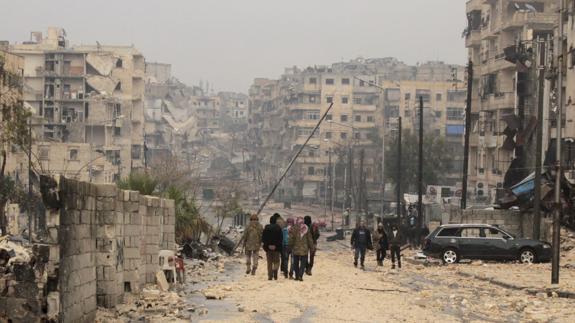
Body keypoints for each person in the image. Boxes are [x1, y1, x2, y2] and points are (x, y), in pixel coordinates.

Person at [289, 217, 315, 281]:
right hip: (304, 249)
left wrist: (290, 246)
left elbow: (291, 238)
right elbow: (310, 239)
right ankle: (300, 275)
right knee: (303, 263)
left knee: (295, 263)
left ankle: (297, 276)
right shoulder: (306, 228)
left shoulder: (294, 228)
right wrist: (312, 248)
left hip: (296, 249)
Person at [262, 214, 284, 280]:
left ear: (270, 221)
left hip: (268, 248)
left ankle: (270, 276)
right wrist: (277, 246)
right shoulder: (278, 228)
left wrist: (267, 245)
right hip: (276, 248)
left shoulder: (266, 228)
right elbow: (281, 238)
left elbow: (263, 238)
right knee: (276, 262)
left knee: (269, 263)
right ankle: (275, 272)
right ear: (275, 221)